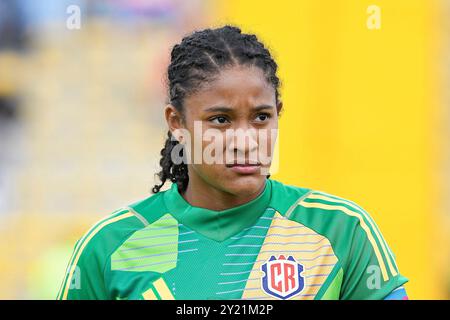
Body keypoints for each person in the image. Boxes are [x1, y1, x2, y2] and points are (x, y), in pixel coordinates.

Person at [57, 25, 408, 300]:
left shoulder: (341, 230)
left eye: (261, 117)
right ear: (177, 123)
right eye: (221, 120)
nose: (246, 140)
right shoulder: (109, 245)